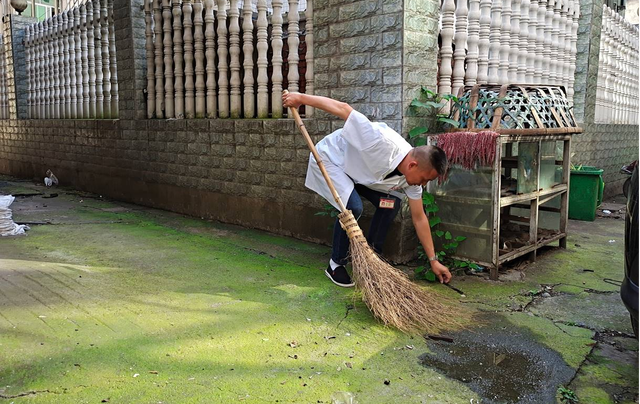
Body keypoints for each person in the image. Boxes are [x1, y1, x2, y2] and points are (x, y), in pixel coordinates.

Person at [282, 92, 452, 287]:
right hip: (332, 160)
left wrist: (433, 260)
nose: (422, 185)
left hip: (358, 175)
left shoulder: (411, 179)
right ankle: (336, 264)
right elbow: (344, 109)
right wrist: (300, 99)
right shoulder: (381, 141)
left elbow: (419, 217)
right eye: (424, 179)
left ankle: (371, 257)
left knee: (390, 204)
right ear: (413, 165)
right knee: (353, 207)